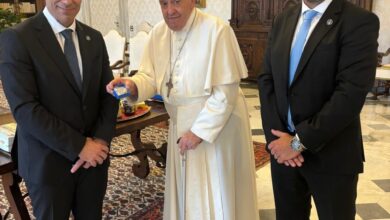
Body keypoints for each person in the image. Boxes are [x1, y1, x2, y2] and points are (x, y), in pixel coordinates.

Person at [106, 0, 259, 219]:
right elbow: (150, 76)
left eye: (176, 1)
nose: (170, 10)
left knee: (216, 191)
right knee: (188, 188)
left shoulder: (217, 30)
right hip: (181, 122)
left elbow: (226, 93)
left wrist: (198, 132)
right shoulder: (158, 34)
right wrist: (133, 85)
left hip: (218, 125)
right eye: (164, 3)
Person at [258, 0, 379, 219]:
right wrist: (277, 141)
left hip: (331, 154)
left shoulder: (359, 21)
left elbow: (350, 94)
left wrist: (297, 143)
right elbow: (267, 80)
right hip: (283, 152)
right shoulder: (283, 19)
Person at [0, 0, 118, 219]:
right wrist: (79, 146)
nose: (67, 1)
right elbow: (25, 108)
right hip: (47, 164)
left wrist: (100, 141)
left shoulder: (94, 38)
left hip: (93, 161)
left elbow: (109, 94)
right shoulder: (17, 38)